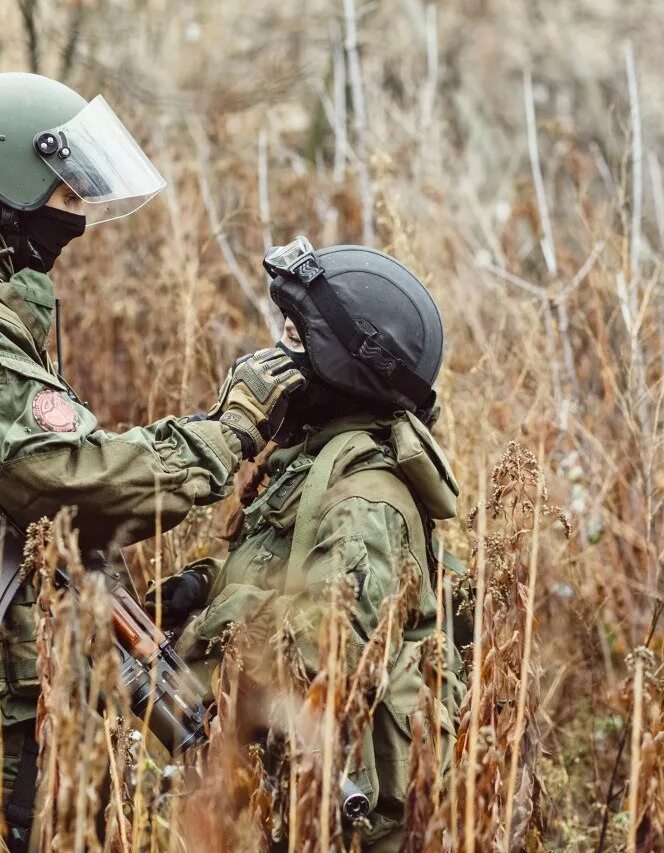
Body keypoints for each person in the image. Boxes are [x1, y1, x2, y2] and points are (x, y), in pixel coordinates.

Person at [0, 72, 304, 846]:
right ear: (11, 182)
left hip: (8, 666)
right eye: (67, 192)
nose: (80, 213)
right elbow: (64, 477)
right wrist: (228, 431)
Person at [158, 237, 466, 851]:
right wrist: (206, 581)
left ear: (341, 368)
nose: (276, 354)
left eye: (296, 340)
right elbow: (289, 567)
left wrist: (206, 628)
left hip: (336, 821)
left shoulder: (364, 502)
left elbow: (320, 660)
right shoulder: (316, 462)